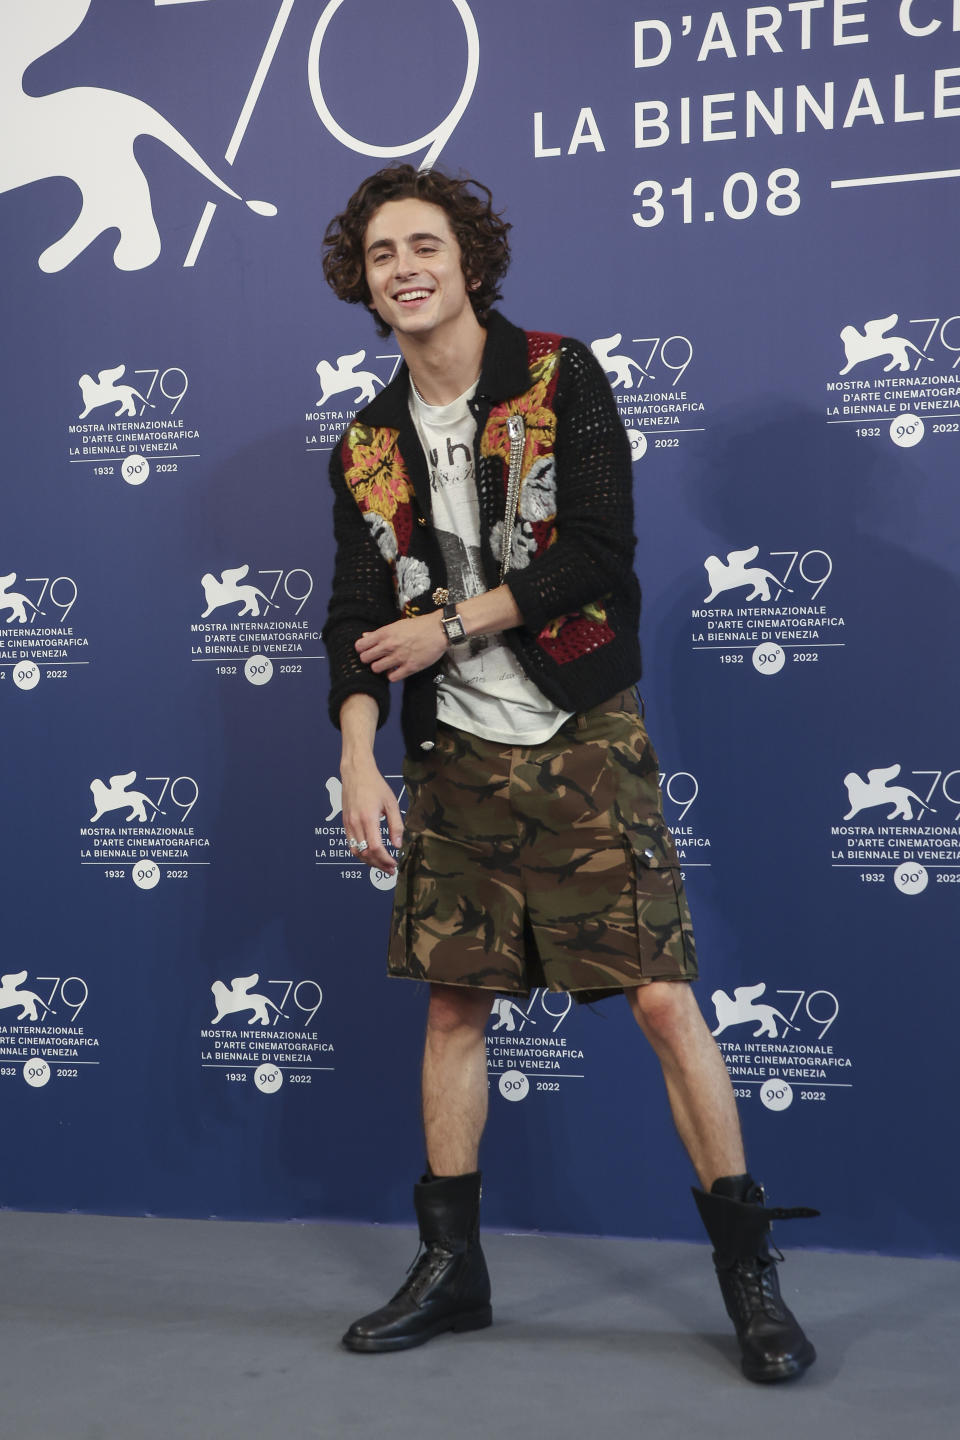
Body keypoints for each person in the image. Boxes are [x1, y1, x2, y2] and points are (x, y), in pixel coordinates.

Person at [321, 163, 818, 1383]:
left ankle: (748, 1272)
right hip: (449, 753)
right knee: (451, 1004)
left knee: (659, 997)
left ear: (470, 259)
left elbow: (598, 551)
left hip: (580, 732)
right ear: (364, 282)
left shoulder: (556, 374)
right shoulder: (367, 441)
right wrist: (354, 753)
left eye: (425, 245)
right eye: (383, 254)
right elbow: (349, 614)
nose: (407, 269)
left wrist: (455, 623)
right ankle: (455, 1272)